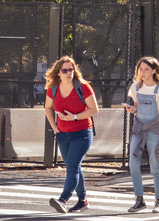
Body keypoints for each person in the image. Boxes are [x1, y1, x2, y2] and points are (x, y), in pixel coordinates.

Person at [44, 56, 99, 214]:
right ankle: (83, 201)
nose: (69, 72)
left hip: (82, 134)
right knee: (73, 167)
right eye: (65, 70)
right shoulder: (53, 88)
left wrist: (73, 117)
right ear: (59, 73)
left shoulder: (83, 86)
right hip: (62, 134)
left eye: (71, 69)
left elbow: (94, 110)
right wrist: (54, 127)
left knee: (72, 167)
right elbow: (48, 107)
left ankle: (63, 199)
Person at [124, 57, 159, 213]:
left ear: (154, 70)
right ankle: (139, 200)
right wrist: (132, 110)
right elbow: (137, 107)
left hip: (154, 130)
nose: (143, 72)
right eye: (140, 69)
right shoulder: (135, 87)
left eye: (146, 69)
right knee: (133, 164)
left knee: (155, 167)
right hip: (138, 129)